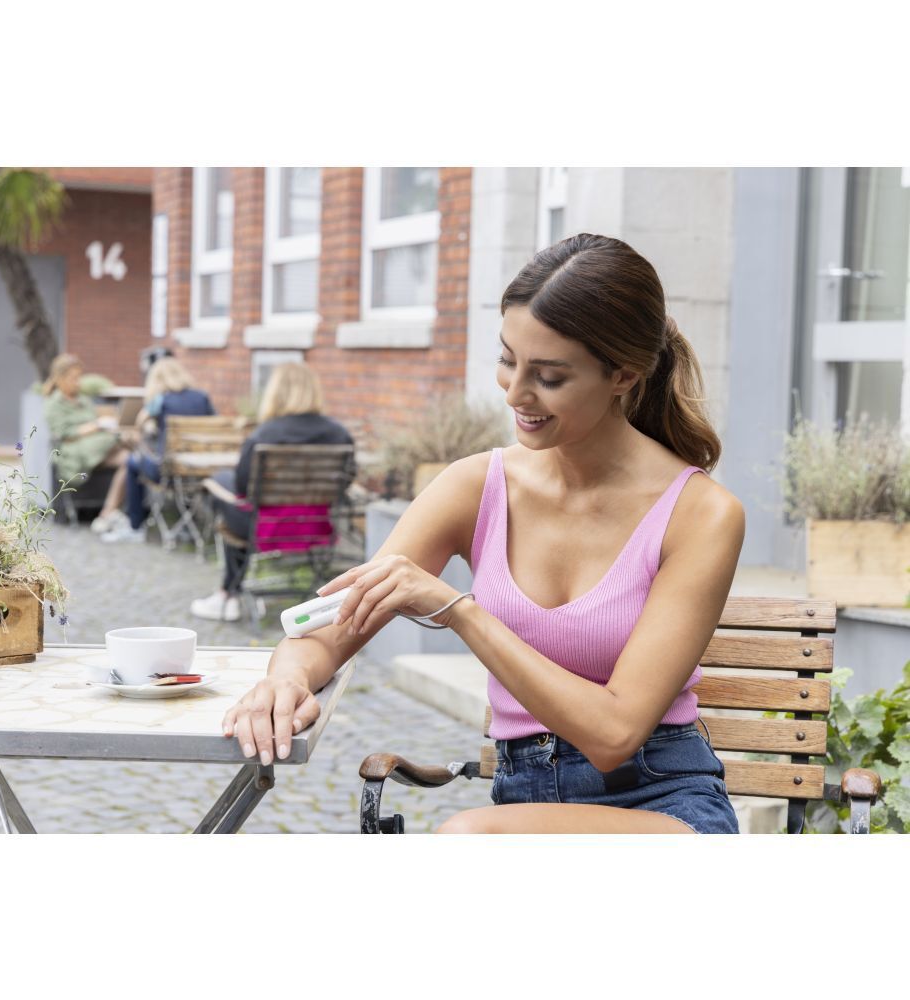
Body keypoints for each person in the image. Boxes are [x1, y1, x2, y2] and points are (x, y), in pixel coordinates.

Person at [220, 233, 746, 834]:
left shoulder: (700, 513)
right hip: (523, 802)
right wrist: (284, 681)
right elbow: (327, 628)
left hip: (664, 801)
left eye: (548, 376)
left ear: (623, 374)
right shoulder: (476, 486)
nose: (516, 394)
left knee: (466, 841)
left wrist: (458, 611)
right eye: (507, 360)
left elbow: (614, 734)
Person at [190, 361, 354, 622]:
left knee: (220, 482)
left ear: (275, 391)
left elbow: (243, 489)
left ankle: (228, 594)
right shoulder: (339, 434)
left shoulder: (264, 434)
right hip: (316, 527)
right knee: (228, 486)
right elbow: (345, 483)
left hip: (266, 527)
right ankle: (230, 593)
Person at [100, 357, 215, 544]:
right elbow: (214, 424)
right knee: (173, 466)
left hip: (167, 472)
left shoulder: (160, 400)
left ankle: (135, 526)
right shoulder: (202, 397)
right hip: (200, 471)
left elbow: (139, 425)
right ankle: (187, 525)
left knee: (132, 462)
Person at [43, 353, 130, 532]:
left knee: (130, 460)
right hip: (74, 450)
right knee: (126, 439)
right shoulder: (53, 404)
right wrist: (95, 426)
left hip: (98, 449)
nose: (78, 382)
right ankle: (125, 440)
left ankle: (107, 513)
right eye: (73, 378)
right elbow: (64, 433)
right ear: (59, 379)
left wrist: (102, 426)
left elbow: (96, 423)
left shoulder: (83, 400)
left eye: (79, 377)